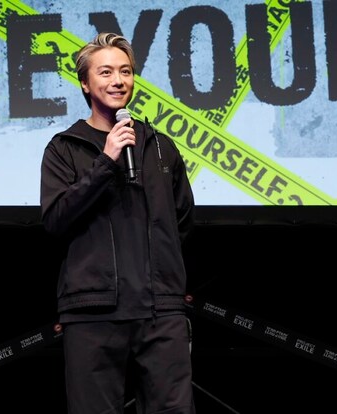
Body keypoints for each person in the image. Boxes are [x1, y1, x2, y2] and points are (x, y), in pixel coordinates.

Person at [40, 32, 196, 414]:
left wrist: (165, 277)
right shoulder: (65, 148)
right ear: (85, 83)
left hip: (160, 310)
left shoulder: (160, 146)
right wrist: (106, 162)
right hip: (93, 310)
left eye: (125, 71)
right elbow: (56, 219)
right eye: (106, 72)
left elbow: (183, 219)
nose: (118, 81)